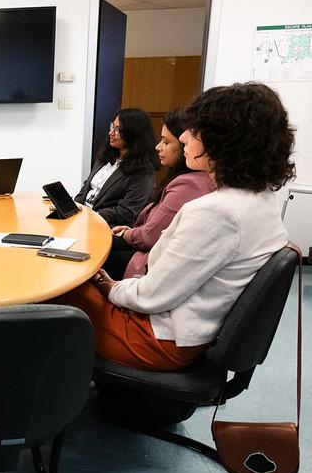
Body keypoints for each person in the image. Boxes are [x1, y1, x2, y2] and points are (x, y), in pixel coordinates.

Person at [57, 82, 294, 372]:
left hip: (155, 340)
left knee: (52, 294)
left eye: (193, 131)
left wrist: (109, 286)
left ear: (222, 141)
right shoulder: (263, 201)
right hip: (188, 331)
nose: (182, 137)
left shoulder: (216, 212)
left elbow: (151, 296)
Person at [102, 109, 216, 280]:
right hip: (144, 245)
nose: (158, 147)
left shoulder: (189, 184)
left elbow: (149, 236)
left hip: (148, 263)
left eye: (166, 142)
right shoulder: (105, 157)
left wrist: (128, 233)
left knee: (95, 252)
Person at [74, 108, 160, 227]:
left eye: (118, 129)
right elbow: (85, 189)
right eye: (112, 127)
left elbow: (126, 212)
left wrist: (90, 215)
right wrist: (73, 207)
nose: (111, 133)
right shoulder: (104, 158)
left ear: (133, 133)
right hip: (84, 218)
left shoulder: (143, 172)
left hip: (107, 226)